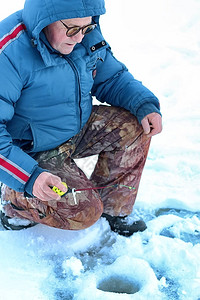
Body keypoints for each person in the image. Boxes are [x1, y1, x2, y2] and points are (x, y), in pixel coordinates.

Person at [0, 0, 162, 236]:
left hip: (77, 127)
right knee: (83, 211)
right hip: (31, 148)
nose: (79, 38)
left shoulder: (84, 32)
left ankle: (113, 208)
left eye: (86, 28)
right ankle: (14, 200)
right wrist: (29, 177)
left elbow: (111, 77)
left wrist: (143, 104)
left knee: (134, 128)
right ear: (46, 19)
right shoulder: (9, 53)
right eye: (73, 29)